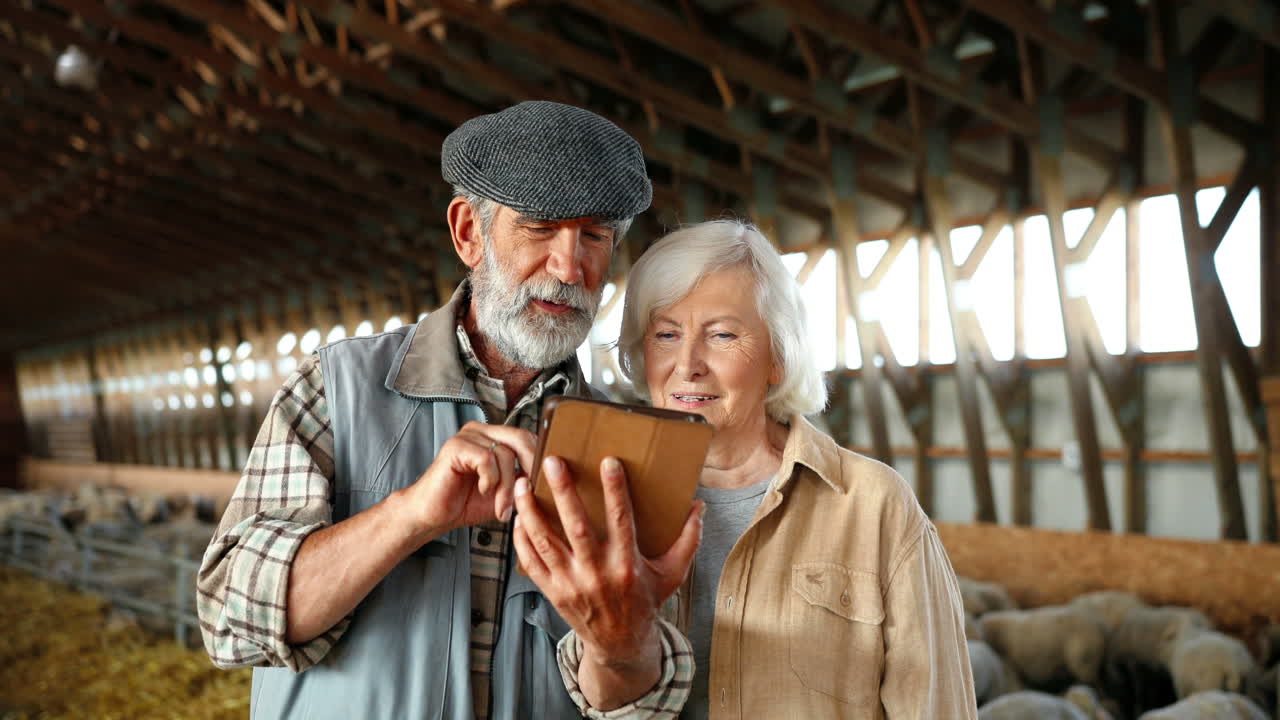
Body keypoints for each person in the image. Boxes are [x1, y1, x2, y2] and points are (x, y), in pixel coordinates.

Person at [196, 101, 702, 720]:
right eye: (540, 228)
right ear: (469, 233)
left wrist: (623, 646)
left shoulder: (624, 446)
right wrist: (409, 516)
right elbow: (229, 618)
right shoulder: (337, 386)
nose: (570, 267)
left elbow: (640, 706)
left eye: (594, 236)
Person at [514, 219, 977, 719]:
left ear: (777, 355)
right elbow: (595, 702)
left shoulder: (873, 504)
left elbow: (937, 704)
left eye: (722, 335)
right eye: (666, 334)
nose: (688, 363)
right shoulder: (606, 498)